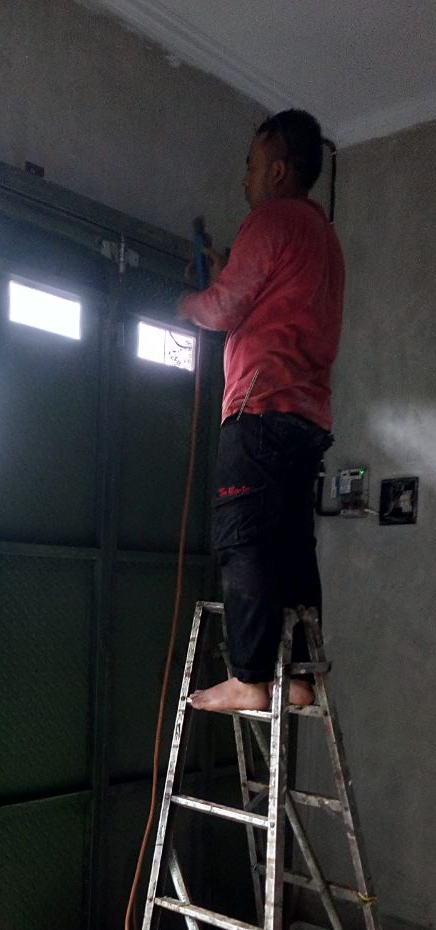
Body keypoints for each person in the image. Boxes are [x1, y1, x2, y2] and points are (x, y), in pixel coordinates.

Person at [178, 109, 344, 712]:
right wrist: (230, 279)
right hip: (306, 418)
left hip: (258, 408)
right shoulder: (321, 235)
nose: (245, 178)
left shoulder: (270, 219)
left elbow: (224, 309)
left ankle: (249, 675)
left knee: (244, 539)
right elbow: (269, 300)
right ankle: (299, 674)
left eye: (251, 165)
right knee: (293, 544)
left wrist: (190, 301)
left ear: (278, 169)